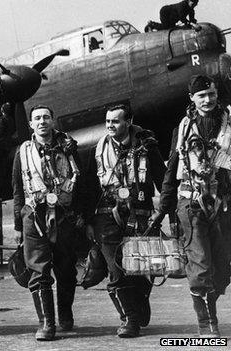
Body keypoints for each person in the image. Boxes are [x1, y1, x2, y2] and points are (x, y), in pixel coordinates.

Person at [152, 75, 231, 338]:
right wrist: (163, 208)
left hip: (223, 205)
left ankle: (210, 306)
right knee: (200, 267)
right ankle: (207, 325)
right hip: (191, 204)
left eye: (211, 94)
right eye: (201, 96)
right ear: (192, 99)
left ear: (217, 94)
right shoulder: (184, 128)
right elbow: (171, 168)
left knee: (221, 271)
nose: (207, 100)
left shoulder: (228, 124)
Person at [85, 104, 166, 338]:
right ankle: (128, 319)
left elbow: (162, 178)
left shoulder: (147, 146)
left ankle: (140, 301)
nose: (110, 125)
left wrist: (166, 213)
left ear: (128, 121)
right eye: (108, 121)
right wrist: (88, 221)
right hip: (106, 213)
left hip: (141, 213)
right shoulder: (97, 149)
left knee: (142, 268)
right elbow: (89, 187)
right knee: (116, 268)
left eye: (116, 121)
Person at [12, 105, 83, 341]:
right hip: (34, 215)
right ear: (31, 124)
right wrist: (19, 225)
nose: (42, 121)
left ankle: (65, 315)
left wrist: (82, 216)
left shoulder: (69, 148)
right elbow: (17, 191)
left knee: (66, 269)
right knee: (38, 270)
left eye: (46, 117)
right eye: (37, 118)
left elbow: (81, 182)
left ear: (52, 121)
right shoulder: (22, 152)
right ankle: (46, 324)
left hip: (64, 215)